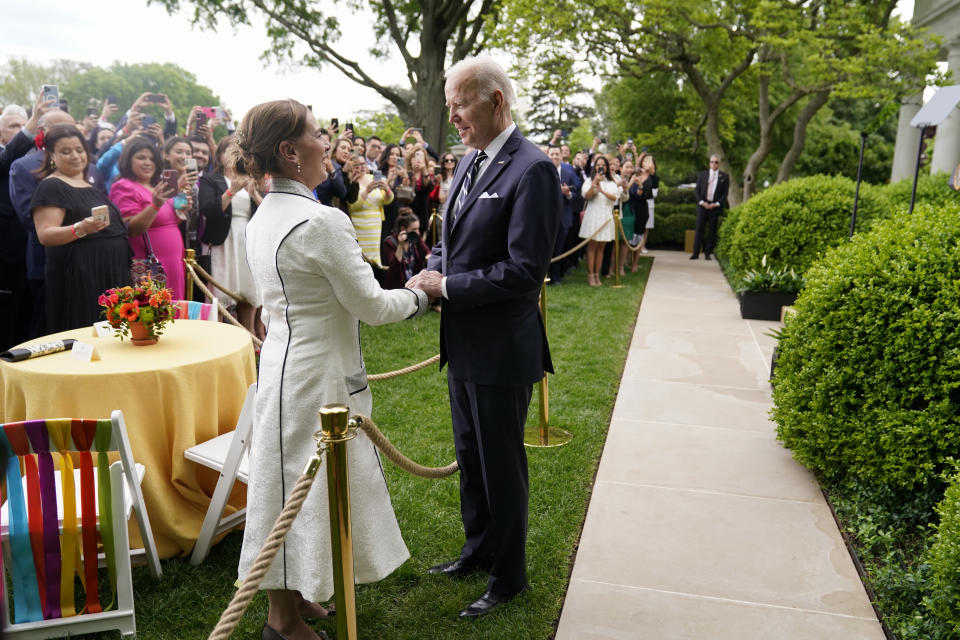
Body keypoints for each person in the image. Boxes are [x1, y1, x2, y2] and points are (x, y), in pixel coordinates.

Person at [234, 98, 428, 640]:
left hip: (279, 367)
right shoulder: (321, 220)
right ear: (291, 151)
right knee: (297, 486)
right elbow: (373, 305)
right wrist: (421, 294)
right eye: (318, 134)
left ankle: (296, 595)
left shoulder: (262, 214)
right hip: (316, 377)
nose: (328, 144)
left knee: (287, 484)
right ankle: (282, 619)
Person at [405, 55, 560, 619]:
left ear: (496, 101)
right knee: (470, 457)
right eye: (449, 107)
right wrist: (431, 269)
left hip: (502, 348)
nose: (454, 118)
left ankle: (509, 575)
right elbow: (450, 240)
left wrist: (448, 285)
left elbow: (524, 272)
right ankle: (477, 549)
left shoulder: (533, 169)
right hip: (463, 342)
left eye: (460, 105)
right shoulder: (469, 162)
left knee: (500, 463)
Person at [29, 124, 134, 332]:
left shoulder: (88, 185)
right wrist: (81, 228)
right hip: (80, 275)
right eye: (66, 151)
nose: (75, 156)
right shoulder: (51, 185)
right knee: (85, 333)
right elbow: (45, 235)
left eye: (79, 150)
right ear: (52, 155)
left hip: (109, 272)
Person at [109, 137, 190, 300]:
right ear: (128, 160)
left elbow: (168, 224)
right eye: (141, 157)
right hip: (150, 265)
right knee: (155, 315)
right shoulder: (124, 186)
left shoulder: (157, 186)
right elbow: (131, 229)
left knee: (175, 314)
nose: (148, 163)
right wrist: (155, 205)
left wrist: (182, 211)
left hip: (173, 260)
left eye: (152, 159)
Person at [199, 136, 262, 333]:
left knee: (248, 295)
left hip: (246, 241)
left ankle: (250, 342)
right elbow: (207, 210)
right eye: (230, 149)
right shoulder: (211, 179)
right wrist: (231, 191)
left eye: (239, 150)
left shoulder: (249, 179)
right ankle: (217, 343)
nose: (235, 153)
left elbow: (264, 213)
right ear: (219, 155)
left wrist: (255, 194)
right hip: (222, 242)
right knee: (219, 296)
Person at [578, 155, 620, 286]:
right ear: (594, 167)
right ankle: (590, 275)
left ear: (607, 167)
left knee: (601, 246)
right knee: (592, 246)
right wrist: (595, 183)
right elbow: (587, 196)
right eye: (598, 165)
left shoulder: (611, 183)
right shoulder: (589, 180)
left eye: (603, 165)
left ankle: (597, 274)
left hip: (606, 216)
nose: (600, 167)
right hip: (593, 215)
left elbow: (615, 199)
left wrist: (602, 191)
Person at [547, 144, 582, 285]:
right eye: (552, 154)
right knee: (547, 250)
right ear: (548, 156)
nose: (555, 156)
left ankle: (556, 277)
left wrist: (568, 193)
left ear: (561, 156)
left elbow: (577, 194)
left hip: (563, 218)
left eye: (557, 154)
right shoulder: (543, 171)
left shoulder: (569, 173)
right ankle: (545, 276)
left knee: (560, 249)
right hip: (546, 218)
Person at [348, 159, 393, 267]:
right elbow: (353, 206)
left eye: (363, 163)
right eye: (358, 164)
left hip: (376, 225)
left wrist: (387, 189)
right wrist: (367, 191)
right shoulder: (351, 180)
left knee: (375, 262)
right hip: (359, 225)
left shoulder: (373, 177)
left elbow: (388, 200)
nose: (362, 166)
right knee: (360, 259)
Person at [692, 154, 728, 260]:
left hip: (714, 207)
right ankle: (695, 253)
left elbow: (724, 194)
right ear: (709, 163)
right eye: (712, 162)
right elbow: (697, 190)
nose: (714, 164)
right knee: (699, 229)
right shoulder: (703, 175)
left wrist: (716, 204)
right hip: (703, 205)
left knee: (712, 230)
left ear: (719, 164)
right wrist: (702, 202)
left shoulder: (724, 177)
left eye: (716, 162)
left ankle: (708, 253)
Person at [381, 209, 429, 289]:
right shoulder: (390, 242)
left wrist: (429, 257)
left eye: (418, 228)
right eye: (414, 229)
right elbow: (394, 267)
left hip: (414, 285)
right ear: (403, 229)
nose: (418, 232)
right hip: (397, 288)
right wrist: (400, 245)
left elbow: (427, 251)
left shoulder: (415, 237)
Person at [636, 152, 659, 254]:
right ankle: (635, 246)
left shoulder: (653, 177)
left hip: (648, 202)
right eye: (645, 160)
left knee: (646, 226)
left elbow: (655, 192)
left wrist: (652, 173)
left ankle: (642, 245)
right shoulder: (637, 173)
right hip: (636, 203)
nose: (646, 163)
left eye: (649, 161)